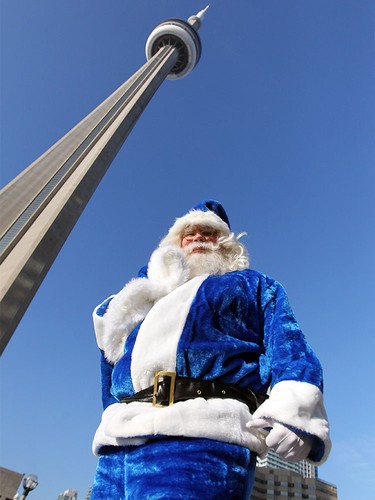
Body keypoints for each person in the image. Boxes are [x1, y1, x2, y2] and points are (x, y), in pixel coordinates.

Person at [90, 199, 330, 499]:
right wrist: (109, 413)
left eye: (208, 232)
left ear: (225, 243)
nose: (197, 238)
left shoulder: (253, 285)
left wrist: (296, 412)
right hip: (119, 444)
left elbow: (290, 347)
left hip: (202, 438)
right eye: (188, 233)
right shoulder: (141, 300)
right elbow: (111, 366)